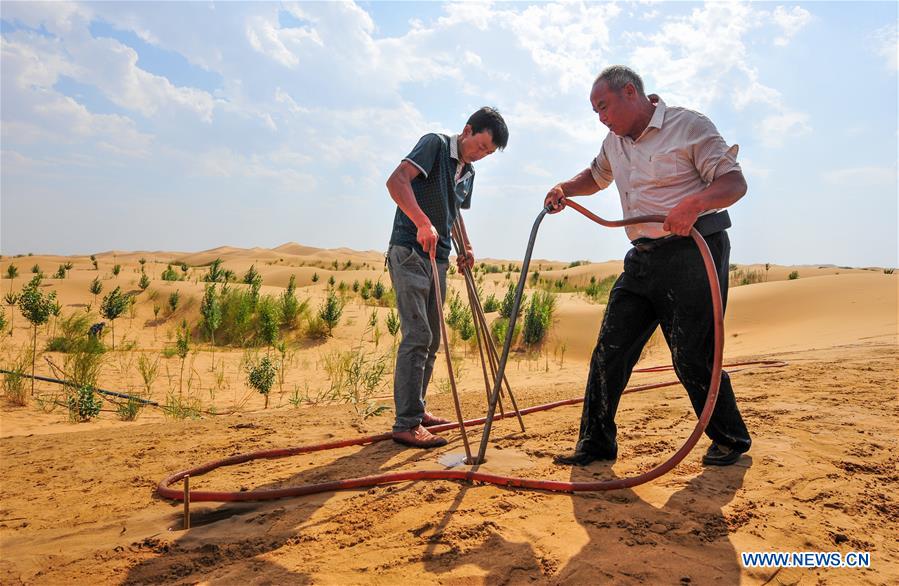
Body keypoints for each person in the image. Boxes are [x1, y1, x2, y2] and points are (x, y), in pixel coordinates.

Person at [545, 65, 751, 467]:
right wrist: (565, 188)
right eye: (595, 112)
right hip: (642, 257)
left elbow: (734, 183)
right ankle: (596, 444)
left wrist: (693, 205)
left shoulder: (688, 126)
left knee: (693, 354)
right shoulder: (613, 143)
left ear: (630, 93)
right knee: (610, 349)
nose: (601, 117)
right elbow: (596, 175)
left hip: (695, 253)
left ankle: (729, 438)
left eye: (603, 106)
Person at [386, 107, 509, 448]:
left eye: (488, 152)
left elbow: (452, 213)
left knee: (433, 339)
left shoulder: (467, 172)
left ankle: (417, 411)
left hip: (438, 257)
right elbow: (396, 181)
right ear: (467, 130)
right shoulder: (435, 145)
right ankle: (405, 423)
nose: (481, 155)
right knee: (418, 335)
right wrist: (422, 223)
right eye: (480, 146)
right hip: (410, 250)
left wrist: (465, 246)